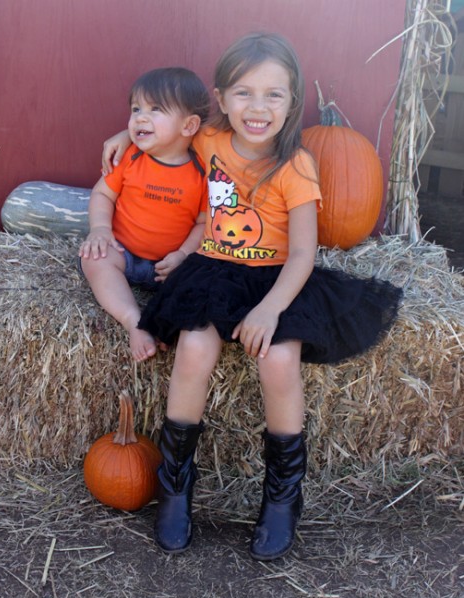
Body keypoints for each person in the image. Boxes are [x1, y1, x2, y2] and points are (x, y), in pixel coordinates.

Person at [102, 33, 403, 560]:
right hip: (214, 272)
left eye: (273, 95)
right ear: (220, 98)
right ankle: (175, 487)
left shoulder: (296, 165)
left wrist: (270, 309)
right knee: (194, 349)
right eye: (244, 93)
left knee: (279, 359)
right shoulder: (209, 140)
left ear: (292, 102)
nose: (258, 108)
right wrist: (124, 134)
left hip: (275, 279)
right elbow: (165, 129)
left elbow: (304, 253)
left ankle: (283, 496)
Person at [79, 67, 209, 361]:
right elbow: (102, 194)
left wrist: (184, 255)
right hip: (122, 252)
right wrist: (100, 230)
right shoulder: (131, 157)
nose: (139, 117)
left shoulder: (201, 173)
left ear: (189, 125)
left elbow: (204, 224)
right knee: (94, 259)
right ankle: (133, 320)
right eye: (136, 109)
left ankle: (162, 325)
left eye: (155, 109)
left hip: (168, 266)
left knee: (198, 282)